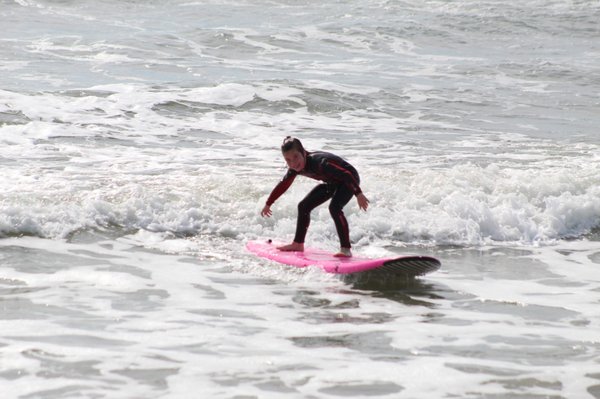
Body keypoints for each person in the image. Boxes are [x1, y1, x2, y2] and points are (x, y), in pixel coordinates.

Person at [261, 136, 370, 257]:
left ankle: (346, 249)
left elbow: (346, 174)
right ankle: (298, 243)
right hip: (332, 183)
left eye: (296, 157)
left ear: (303, 152)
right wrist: (268, 203)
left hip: (349, 180)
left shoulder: (320, 162)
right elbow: (283, 184)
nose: (293, 163)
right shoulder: (294, 168)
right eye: (288, 160)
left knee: (334, 208)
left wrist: (358, 193)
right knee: (303, 206)